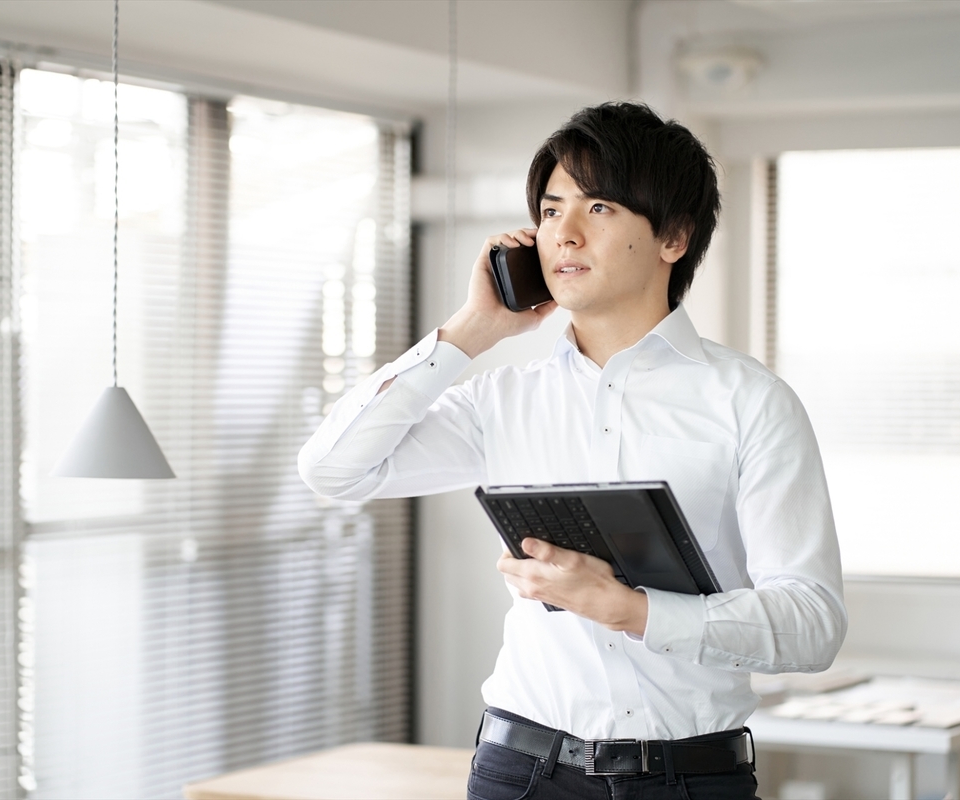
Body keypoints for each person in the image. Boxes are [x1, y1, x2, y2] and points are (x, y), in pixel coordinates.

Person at [299, 102, 845, 800]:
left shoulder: (752, 403)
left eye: (600, 207)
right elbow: (333, 469)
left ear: (673, 237)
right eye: (551, 210)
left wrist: (633, 610)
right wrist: (473, 327)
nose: (565, 233)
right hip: (521, 772)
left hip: (687, 778)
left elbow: (812, 623)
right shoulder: (502, 398)